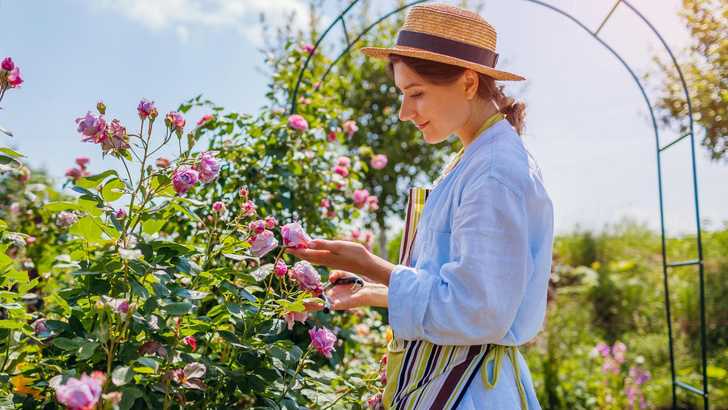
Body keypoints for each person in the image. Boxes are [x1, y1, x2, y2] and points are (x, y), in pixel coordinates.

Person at [286, 3, 554, 409]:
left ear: (467, 83)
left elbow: (478, 311)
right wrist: (371, 292)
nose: (404, 112)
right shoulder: (476, 158)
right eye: (402, 94)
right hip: (462, 380)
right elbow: (453, 289)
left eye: (417, 94)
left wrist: (370, 264)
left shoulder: (494, 172)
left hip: (469, 389)